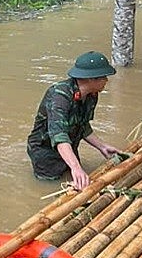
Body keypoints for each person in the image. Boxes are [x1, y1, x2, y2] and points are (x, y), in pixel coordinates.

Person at [27, 50, 120, 190]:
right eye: (104, 77)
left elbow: (83, 125)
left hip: (69, 146)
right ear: (91, 79)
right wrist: (76, 167)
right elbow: (59, 136)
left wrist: (102, 147)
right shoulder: (59, 97)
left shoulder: (91, 95)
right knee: (49, 186)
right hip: (46, 150)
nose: (106, 81)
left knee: (77, 180)